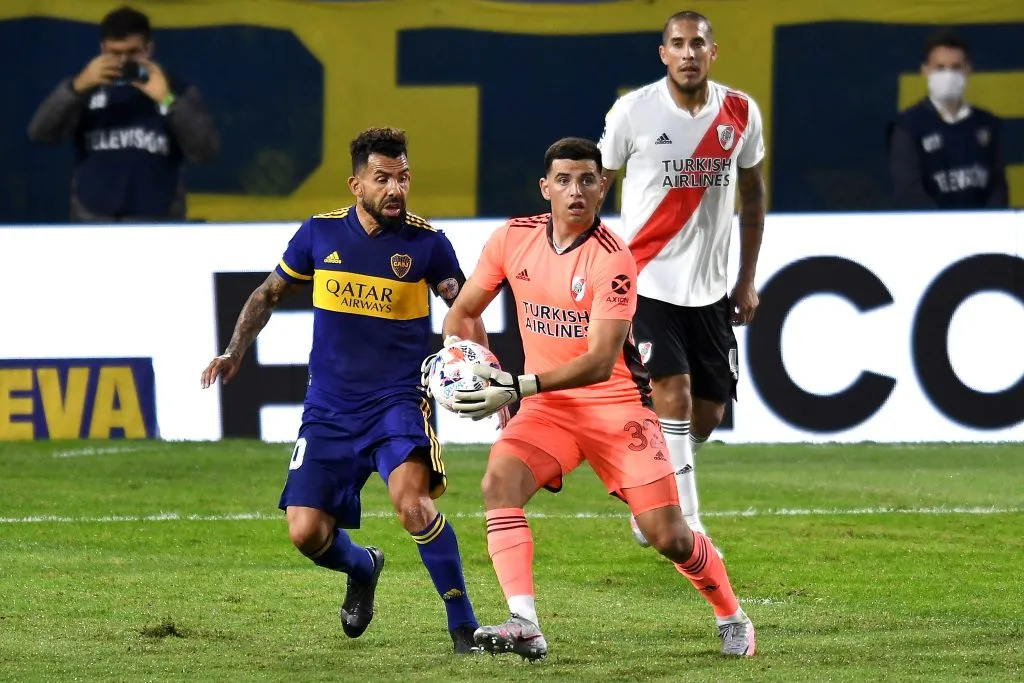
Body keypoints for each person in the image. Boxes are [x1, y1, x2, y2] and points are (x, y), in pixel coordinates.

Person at [439, 137, 755, 660]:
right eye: (563, 180)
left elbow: (600, 361)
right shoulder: (510, 241)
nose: (576, 190)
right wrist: (471, 364)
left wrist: (514, 387)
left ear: (603, 187)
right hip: (548, 411)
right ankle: (525, 622)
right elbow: (463, 313)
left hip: (617, 409)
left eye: (588, 179)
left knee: (668, 536)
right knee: (498, 483)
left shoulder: (615, 259)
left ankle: (731, 614)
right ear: (545, 189)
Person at [200, 127, 486, 654]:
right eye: (383, 179)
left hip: (397, 403)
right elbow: (268, 294)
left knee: (413, 506)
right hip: (328, 411)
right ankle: (363, 565)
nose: (396, 188)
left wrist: (481, 369)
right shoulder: (318, 234)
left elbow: (463, 310)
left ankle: (463, 626)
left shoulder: (428, 244)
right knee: (305, 533)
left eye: (403, 177)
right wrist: (234, 351)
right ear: (357, 184)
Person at [596, 10, 766, 548]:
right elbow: (594, 187)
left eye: (698, 44)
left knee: (710, 410)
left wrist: (746, 280)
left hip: (712, 289)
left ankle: (649, 483)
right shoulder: (633, 112)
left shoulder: (740, 112)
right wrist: (591, 266)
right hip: (645, 280)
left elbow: (754, 198)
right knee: (674, 391)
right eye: (678, 44)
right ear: (663, 53)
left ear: (713, 52)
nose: (688, 53)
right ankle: (685, 522)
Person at [27, 6, 219, 222]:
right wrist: (76, 87)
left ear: (149, 49)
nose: (123, 61)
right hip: (92, 222)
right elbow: (40, 133)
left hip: (157, 226)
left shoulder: (175, 88)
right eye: (115, 53)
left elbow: (206, 151)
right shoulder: (85, 88)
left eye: (133, 52)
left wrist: (166, 99)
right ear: (102, 49)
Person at [888, 29, 1009, 209]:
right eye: (940, 68)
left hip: (982, 232)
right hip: (930, 231)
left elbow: (998, 187)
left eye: (956, 67)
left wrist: (987, 225)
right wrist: (945, 226)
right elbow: (908, 190)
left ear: (968, 70)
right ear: (925, 71)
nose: (948, 75)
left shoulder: (988, 124)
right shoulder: (908, 127)